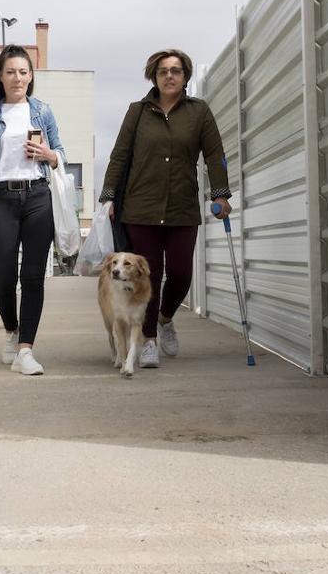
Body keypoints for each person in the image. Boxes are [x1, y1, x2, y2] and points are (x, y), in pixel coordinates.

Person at [99, 48, 231, 369]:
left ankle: (165, 318)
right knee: (149, 276)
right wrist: (108, 196)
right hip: (140, 206)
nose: (169, 76)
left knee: (182, 273)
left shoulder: (199, 112)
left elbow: (214, 155)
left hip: (182, 205)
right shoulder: (138, 112)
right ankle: (148, 342)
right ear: (154, 77)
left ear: (185, 76)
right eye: (162, 71)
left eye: (175, 70)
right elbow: (119, 154)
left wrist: (221, 194)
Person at [0, 45, 66, 376]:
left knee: (33, 276)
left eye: (23, 72)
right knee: (4, 276)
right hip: (0, 198)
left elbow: (60, 153)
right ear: (1, 76)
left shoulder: (43, 112)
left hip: (37, 196)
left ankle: (25, 349)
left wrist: (48, 155)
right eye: (10, 72)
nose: (17, 77)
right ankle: (11, 328)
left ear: (31, 76)